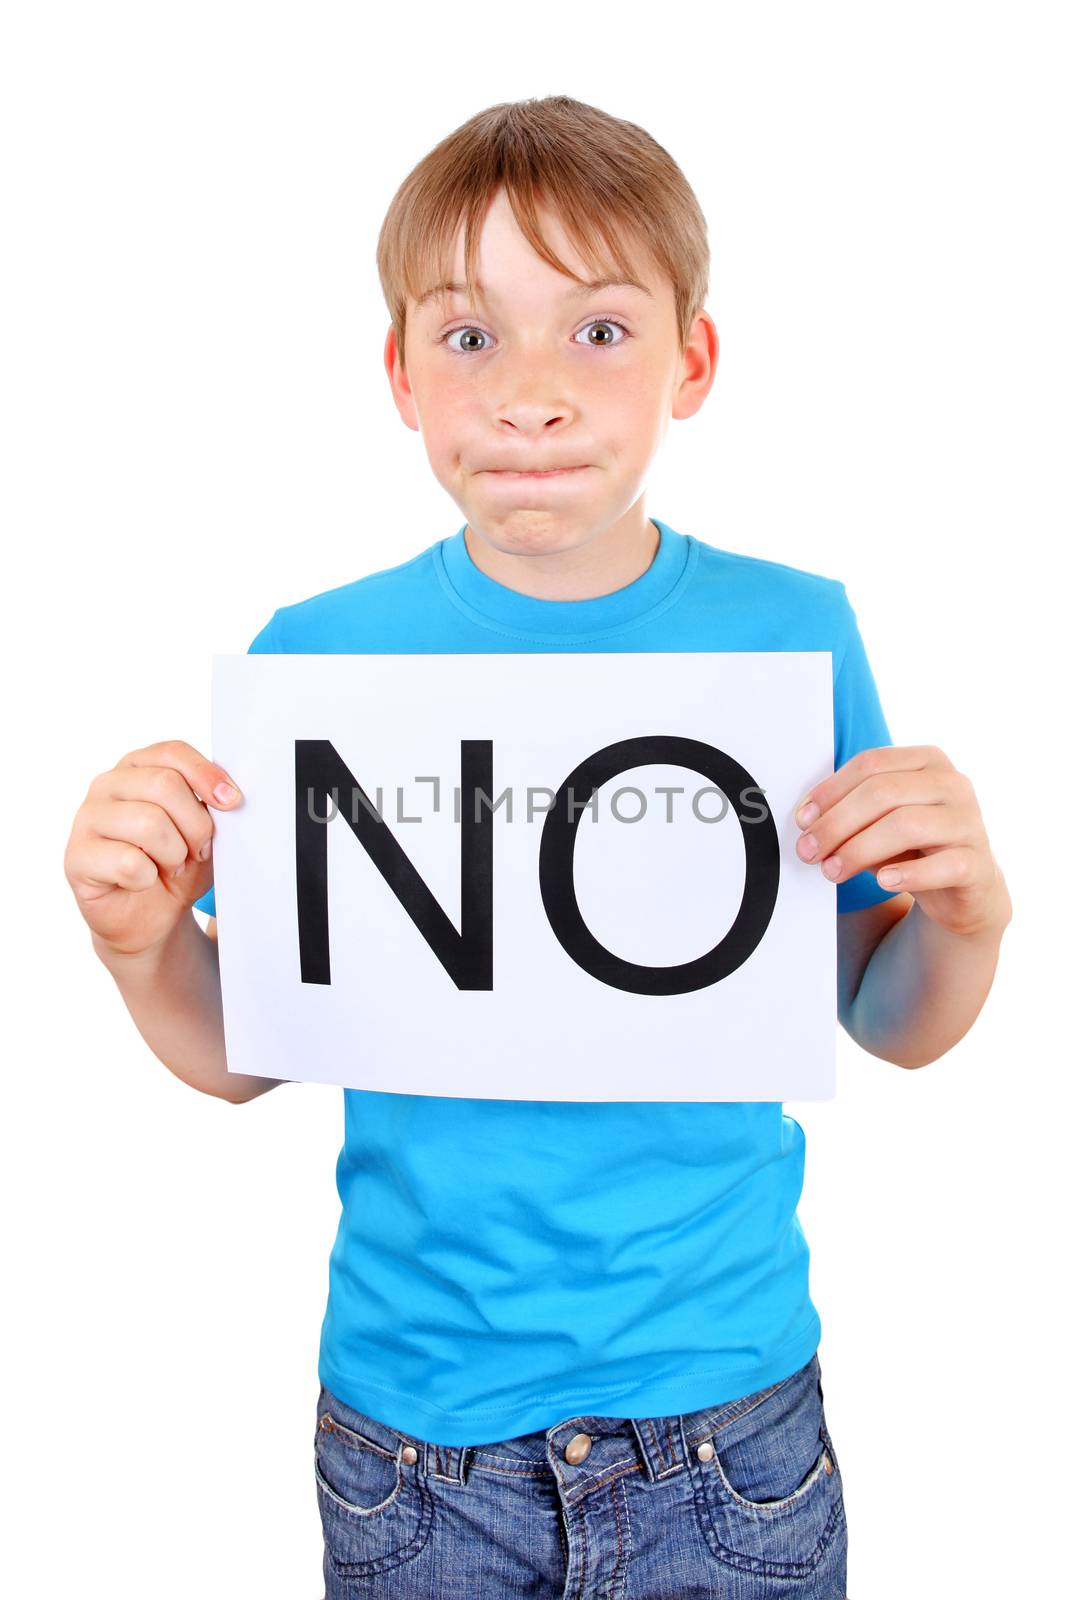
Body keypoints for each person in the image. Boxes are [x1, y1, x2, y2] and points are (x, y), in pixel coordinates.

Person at [64, 95, 1012, 1599]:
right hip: (413, 1446)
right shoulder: (314, 660)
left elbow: (882, 1017)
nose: (531, 396)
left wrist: (965, 918)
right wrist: (139, 943)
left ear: (691, 362)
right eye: (468, 338)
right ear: (399, 377)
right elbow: (250, 1048)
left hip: (730, 1420)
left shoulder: (790, 631)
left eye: (598, 332)